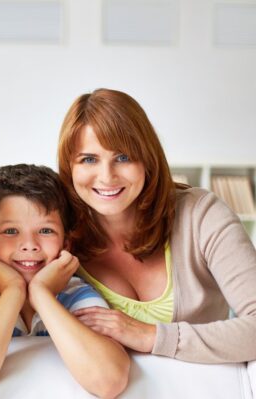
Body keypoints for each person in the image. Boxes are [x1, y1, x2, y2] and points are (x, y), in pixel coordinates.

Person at [58, 88, 256, 363]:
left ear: (147, 160)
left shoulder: (201, 215)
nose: (106, 176)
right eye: (89, 159)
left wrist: (150, 336)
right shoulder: (55, 239)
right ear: (70, 167)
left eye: (123, 157)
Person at [0, 164, 130, 399]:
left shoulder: (73, 290)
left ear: (66, 245)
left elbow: (109, 381)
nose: (29, 245)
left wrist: (41, 295)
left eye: (46, 230)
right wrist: (12, 293)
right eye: (10, 231)